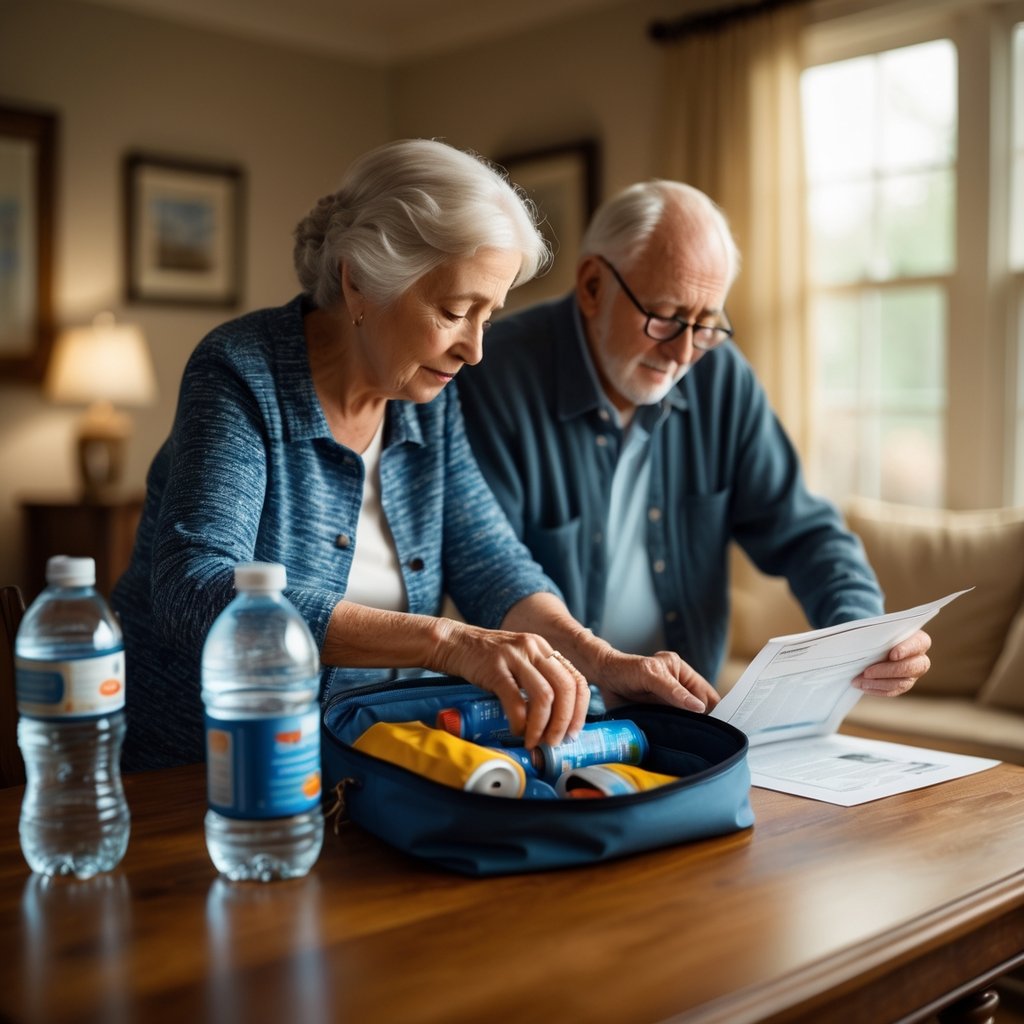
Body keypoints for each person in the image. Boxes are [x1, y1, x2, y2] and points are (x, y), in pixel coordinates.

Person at [113, 142, 716, 772]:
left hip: (360, 768)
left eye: (490, 315)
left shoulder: (423, 399)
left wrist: (602, 660)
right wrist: (449, 643)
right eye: (456, 311)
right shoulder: (241, 373)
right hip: (197, 773)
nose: (475, 350)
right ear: (360, 281)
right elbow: (197, 589)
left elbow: (493, 566)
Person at [457, 179, 931, 699]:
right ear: (593, 286)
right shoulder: (492, 375)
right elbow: (492, 576)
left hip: (686, 712)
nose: (684, 352)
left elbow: (802, 531)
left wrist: (862, 631)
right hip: (547, 707)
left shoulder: (720, 375)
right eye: (666, 317)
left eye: (706, 323)